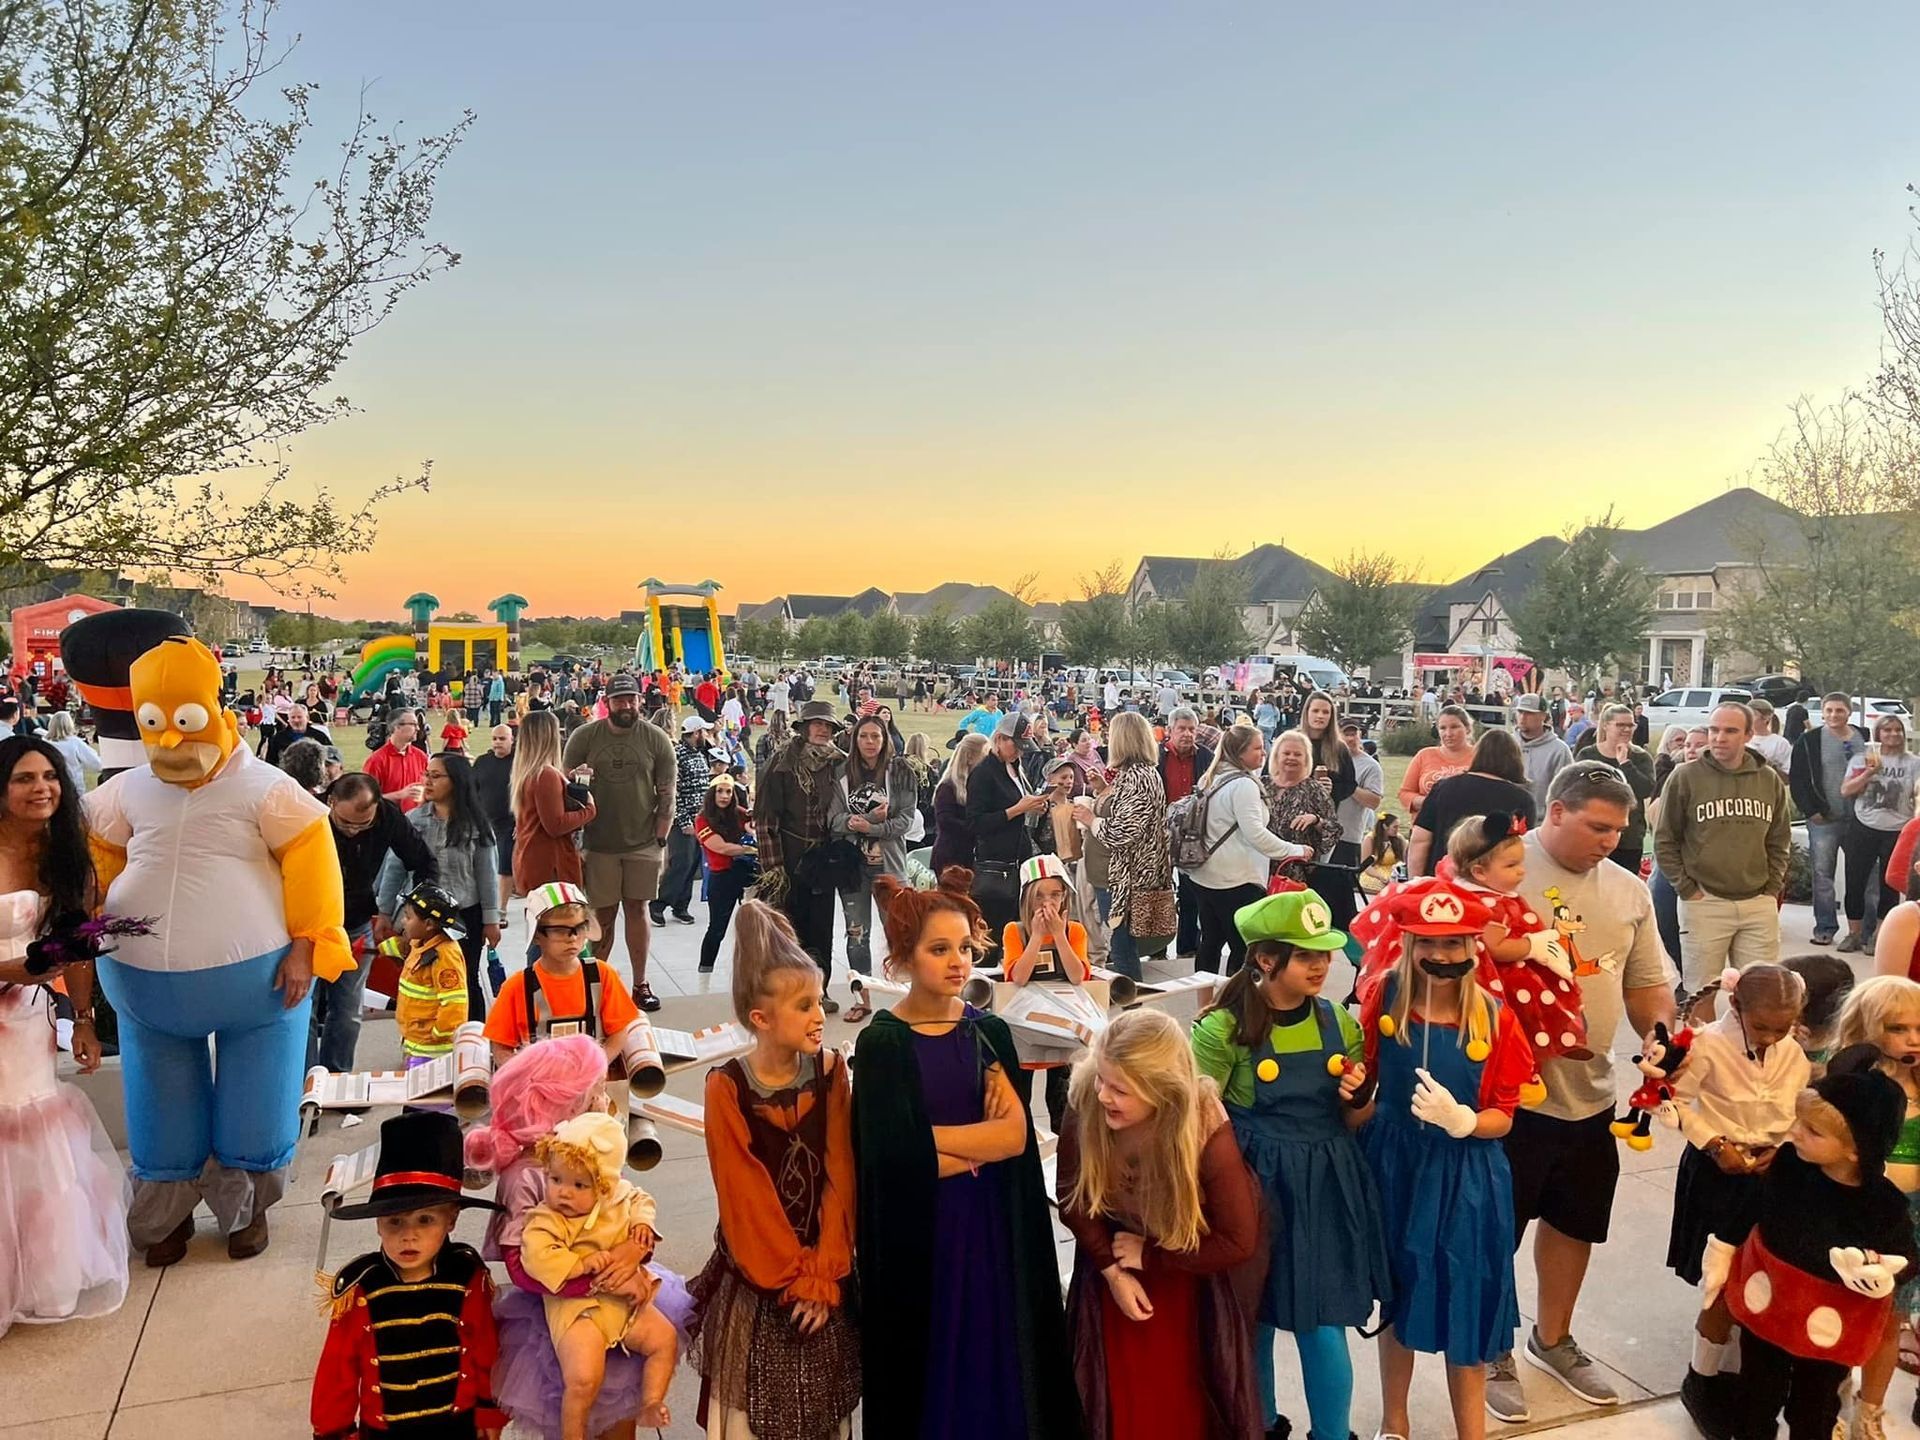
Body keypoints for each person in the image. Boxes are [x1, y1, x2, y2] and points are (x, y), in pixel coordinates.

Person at [85, 634, 350, 1266]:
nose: (171, 743)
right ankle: (166, 1213)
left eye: (185, 721)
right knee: (158, 1097)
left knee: (257, 1096)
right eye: (155, 725)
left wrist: (309, 945)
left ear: (216, 705)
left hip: (255, 979)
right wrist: (93, 917)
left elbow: (314, 864)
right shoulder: (130, 789)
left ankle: (247, 1210)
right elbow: (99, 849)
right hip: (144, 982)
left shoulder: (266, 786)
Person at [853, 870, 1082, 1440]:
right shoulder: (884, 1042)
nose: (957, 962)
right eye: (938, 949)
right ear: (902, 957)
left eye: (963, 948)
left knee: (994, 1341)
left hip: (989, 1223)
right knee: (933, 1351)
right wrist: (966, 1141)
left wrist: (923, 1139)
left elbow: (1013, 1140)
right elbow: (890, 1161)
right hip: (925, 1232)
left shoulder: (987, 1033)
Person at [1482, 761, 1677, 1425]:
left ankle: (1553, 1340)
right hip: (1506, 1101)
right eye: (1598, 826)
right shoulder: (1499, 871)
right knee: (1492, 1232)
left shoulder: (1628, 890)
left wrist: (1661, 1037)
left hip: (1591, 1095)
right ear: (1555, 811)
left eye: (1621, 829)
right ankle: (1489, 1349)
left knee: (1575, 1224)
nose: (1611, 840)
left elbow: (1648, 984)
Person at [1190, 890, 1389, 1440]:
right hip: (1252, 1191)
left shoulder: (1339, 1026)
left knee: (1324, 1325)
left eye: (1325, 953)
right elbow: (1196, 1123)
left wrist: (1358, 1098)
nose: (1322, 965)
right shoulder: (1221, 1031)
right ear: (1265, 959)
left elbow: (1357, 1120)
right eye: (1306, 955)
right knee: (1251, 1319)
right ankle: (1259, 1426)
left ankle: (1333, 1433)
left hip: (1326, 1190)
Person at [1359, 881, 1534, 1440]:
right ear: (1407, 944)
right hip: (1394, 1169)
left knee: (1467, 1295)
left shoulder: (1494, 1016)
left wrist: (1464, 1120)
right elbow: (1361, 1083)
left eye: (1456, 944)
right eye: (1429, 944)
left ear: (1474, 947)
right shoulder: (1383, 998)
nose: (1442, 956)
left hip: (1466, 1177)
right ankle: (1395, 1423)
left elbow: (1504, 1115)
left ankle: (1472, 1432)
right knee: (1398, 1296)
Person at [688, 900, 860, 1440]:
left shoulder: (830, 1071)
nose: (819, 1015)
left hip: (824, 1272)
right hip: (762, 1279)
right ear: (760, 1019)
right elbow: (746, 1199)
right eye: (804, 1005)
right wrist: (794, 1279)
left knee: (823, 1412)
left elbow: (841, 1174)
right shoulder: (727, 1087)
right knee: (753, 1415)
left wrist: (825, 1273)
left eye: (819, 1000)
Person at [464, 1035, 693, 1440]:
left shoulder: (588, 1149)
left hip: (619, 1296)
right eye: (597, 1093)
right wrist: (597, 1280)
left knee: (622, 1409)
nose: (606, 1101)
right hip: (559, 1313)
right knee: (581, 1398)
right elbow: (521, 1266)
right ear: (564, 1104)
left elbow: (622, 1205)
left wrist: (634, 1250)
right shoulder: (524, 1177)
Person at [1059, 1007, 1265, 1440]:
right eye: (1101, 1078)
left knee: (1184, 1395)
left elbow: (1239, 1240)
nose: (1103, 1095)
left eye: (1120, 1089)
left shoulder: (1205, 1126)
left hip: (1189, 1267)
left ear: (1163, 1092)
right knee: (1116, 1397)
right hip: (1112, 1260)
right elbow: (1072, 1197)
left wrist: (1153, 1256)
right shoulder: (1085, 1100)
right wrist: (1112, 1270)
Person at [1690, 1049, 1916, 1440]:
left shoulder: (1883, 1203)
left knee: (1814, 1408)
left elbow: (1907, 1258)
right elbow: (1750, 1208)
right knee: (1756, 1395)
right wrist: (1722, 1251)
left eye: (1812, 1131)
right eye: (1799, 1122)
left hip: (1830, 1327)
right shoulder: (1789, 1167)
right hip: (1770, 1309)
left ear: (1856, 1148)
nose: (1795, 1133)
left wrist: (1883, 1273)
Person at [0, 736, 127, 1339]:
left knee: (31, 1132)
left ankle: (39, 1279)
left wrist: (83, 1018)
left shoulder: (68, 855)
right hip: (12, 992)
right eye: (24, 778)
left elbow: (76, 946)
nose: (40, 788)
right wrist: (11, 972)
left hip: (26, 1023)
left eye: (49, 776)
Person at [312, 1111, 508, 1440]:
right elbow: (337, 1372)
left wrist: (489, 1408)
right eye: (395, 1221)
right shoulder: (360, 1289)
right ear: (377, 1223)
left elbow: (485, 1348)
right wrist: (335, 1431)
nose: (409, 1235)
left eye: (425, 1220)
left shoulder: (467, 1275)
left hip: (457, 1428)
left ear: (452, 1220)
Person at [1666, 966, 1809, 1414]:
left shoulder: (1793, 1053)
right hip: (1717, 1171)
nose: (1770, 1037)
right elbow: (1671, 1099)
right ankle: (1702, 1375)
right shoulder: (1705, 1045)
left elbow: (1799, 1107)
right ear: (1736, 1006)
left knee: (1764, 1275)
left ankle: (1741, 1370)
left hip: (1772, 1172)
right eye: (1761, 1026)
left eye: (1781, 1028)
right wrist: (1714, 1143)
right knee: (1721, 1281)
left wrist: (1784, 1147)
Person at [518, 1111, 677, 1436]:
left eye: (578, 1185)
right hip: (579, 1310)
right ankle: (573, 1434)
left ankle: (651, 1400)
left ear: (604, 1186)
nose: (563, 1193)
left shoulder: (616, 1197)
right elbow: (535, 1257)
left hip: (623, 1306)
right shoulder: (548, 1218)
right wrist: (581, 1264)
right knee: (584, 1377)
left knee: (665, 1339)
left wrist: (642, 1223)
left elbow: (640, 1198)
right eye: (555, 1180)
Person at [1831, 976, 1920, 1438]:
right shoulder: (1851, 1085)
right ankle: (1833, 1397)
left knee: (1891, 1320)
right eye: (1899, 1028)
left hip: (1909, 1224)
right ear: (1865, 1028)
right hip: (1856, 1219)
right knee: (1842, 1314)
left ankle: (1871, 1410)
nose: (1914, 1040)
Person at [1445, 813, 1587, 1100]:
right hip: (1499, 981)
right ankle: (1526, 1072)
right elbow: (1496, 947)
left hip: (1503, 976)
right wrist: (1531, 946)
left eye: (1521, 863)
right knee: (1524, 1021)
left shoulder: (1489, 893)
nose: (1521, 872)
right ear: (1479, 872)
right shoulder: (1486, 904)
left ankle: (1565, 1039)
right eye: (1511, 865)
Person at [1656, 701, 1792, 984]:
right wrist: (1687, 889)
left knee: (1762, 992)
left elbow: (1779, 839)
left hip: (1758, 901)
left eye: (1730, 731)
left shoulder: (1768, 780)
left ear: (1748, 735)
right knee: (1701, 993)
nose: (1719, 737)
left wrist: (1771, 889)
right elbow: (1665, 840)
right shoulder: (1685, 777)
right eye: (1715, 730)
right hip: (1705, 901)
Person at [311, 773, 439, 1072]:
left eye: (363, 824)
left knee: (347, 1010)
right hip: (311, 926)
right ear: (331, 802)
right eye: (345, 823)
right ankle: (303, 1084)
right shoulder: (309, 813)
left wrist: (419, 912)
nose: (354, 831)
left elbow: (423, 861)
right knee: (303, 1011)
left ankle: (336, 1077)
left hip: (355, 923)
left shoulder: (387, 817)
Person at [564, 675, 676, 1012]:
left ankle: (640, 984)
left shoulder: (656, 739)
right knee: (603, 916)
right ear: (607, 702)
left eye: (632, 699)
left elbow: (667, 791)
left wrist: (661, 836)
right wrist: (575, 777)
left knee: (637, 910)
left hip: (643, 840)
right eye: (619, 700)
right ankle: (594, 986)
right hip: (598, 842)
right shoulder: (585, 736)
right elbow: (562, 782)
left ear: (640, 701)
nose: (626, 706)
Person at [378, 751, 503, 1016]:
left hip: (465, 916)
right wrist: (384, 912)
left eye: (436, 776)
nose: (427, 781)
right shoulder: (413, 820)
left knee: (464, 980)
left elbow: (487, 875)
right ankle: (423, 1038)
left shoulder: (476, 825)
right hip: (421, 919)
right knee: (422, 980)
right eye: (426, 775)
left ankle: (472, 1043)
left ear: (456, 781)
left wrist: (491, 921)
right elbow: (394, 868)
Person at [1186, 725, 1314, 976]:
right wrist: (1295, 849)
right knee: (1244, 948)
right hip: (1236, 880)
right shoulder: (1244, 785)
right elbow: (1255, 834)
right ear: (1239, 752)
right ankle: (1237, 1005)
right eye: (1257, 748)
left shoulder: (1209, 778)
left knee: (1210, 943)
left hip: (1203, 875)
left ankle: (1205, 1003)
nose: (1263, 753)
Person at [482, 883, 642, 1064]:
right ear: (536, 935)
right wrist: (523, 1077)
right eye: (559, 930)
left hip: (594, 1083)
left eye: (579, 928)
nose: (572, 938)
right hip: (536, 1083)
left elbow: (620, 1031)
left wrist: (597, 1067)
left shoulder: (602, 975)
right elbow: (500, 1046)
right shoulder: (517, 986)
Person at [756, 700, 848, 1013]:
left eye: (829, 726)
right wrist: (774, 868)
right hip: (790, 855)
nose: (823, 730)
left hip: (824, 859)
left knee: (821, 928)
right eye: (817, 724)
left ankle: (818, 990)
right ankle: (790, 992)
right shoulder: (781, 762)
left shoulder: (840, 763)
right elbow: (766, 819)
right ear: (804, 727)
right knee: (789, 927)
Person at [998, 853, 1095, 1133]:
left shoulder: (1075, 931)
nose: (1048, 903)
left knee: (1062, 1106)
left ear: (1065, 896)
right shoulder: (1014, 931)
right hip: (1024, 1029)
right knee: (1020, 1103)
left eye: (1055, 894)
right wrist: (1038, 936)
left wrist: (1059, 935)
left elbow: (1078, 976)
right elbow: (1018, 976)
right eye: (1039, 896)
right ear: (1027, 898)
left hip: (1063, 1029)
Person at [1075, 711, 1173, 982]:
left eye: (1111, 735)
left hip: (1122, 877)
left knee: (1123, 945)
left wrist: (1090, 819)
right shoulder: (1129, 775)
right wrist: (1103, 788)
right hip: (1111, 874)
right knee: (1120, 941)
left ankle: (1130, 997)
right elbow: (1124, 811)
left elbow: (1124, 832)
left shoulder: (1139, 778)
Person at [828, 713, 917, 982]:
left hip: (889, 867)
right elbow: (833, 820)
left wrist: (872, 828)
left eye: (875, 736)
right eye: (863, 736)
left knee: (899, 931)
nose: (869, 741)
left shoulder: (900, 771)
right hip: (853, 869)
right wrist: (869, 820)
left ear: (885, 738)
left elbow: (905, 821)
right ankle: (862, 993)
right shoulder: (841, 772)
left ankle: (904, 989)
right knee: (857, 933)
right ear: (855, 739)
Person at [1789, 692, 1869, 947]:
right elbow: (1798, 779)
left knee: (1866, 874)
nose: (1834, 715)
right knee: (1823, 874)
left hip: (1860, 818)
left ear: (1849, 712)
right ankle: (1825, 927)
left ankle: (1865, 931)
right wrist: (1811, 810)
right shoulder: (1810, 740)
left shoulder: (1862, 738)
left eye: (1840, 710)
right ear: (1822, 713)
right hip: (1825, 817)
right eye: (1829, 710)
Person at [1406, 729, 1536, 878]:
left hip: (1442, 884)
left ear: (1478, 754)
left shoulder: (1444, 787)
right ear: (1515, 760)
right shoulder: (1523, 800)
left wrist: (1416, 881)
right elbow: (1522, 853)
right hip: (1491, 886)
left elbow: (1420, 840)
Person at [965, 711, 1046, 946]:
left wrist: (1032, 807)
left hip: (1017, 860)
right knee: (993, 937)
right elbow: (975, 823)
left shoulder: (1015, 768)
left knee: (1016, 935)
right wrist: (1016, 810)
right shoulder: (983, 773)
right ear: (999, 739)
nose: (1020, 752)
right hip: (995, 865)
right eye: (1016, 745)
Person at [1840, 715, 1919, 953]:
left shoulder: (1914, 762)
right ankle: (1853, 933)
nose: (1893, 734)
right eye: (1887, 730)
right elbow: (1845, 791)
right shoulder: (1861, 759)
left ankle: (1878, 935)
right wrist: (1868, 773)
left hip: (1897, 829)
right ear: (1878, 734)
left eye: (1897, 730)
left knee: (1890, 884)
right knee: (1855, 881)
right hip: (1863, 826)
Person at [1158, 708, 1215, 958]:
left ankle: (1188, 948)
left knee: (1192, 892)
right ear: (1170, 730)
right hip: (1160, 832)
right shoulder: (1156, 756)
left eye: (1192, 729)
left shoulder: (1207, 758)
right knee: (1158, 891)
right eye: (1182, 728)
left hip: (1194, 835)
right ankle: (1157, 947)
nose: (1187, 734)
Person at [1571, 703, 1655, 873]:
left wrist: (1625, 763)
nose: (1626, 729)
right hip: (1592, 835)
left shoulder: (1641, 757)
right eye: (1620, 725)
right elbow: (1577, 791)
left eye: (1630, 725)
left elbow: (1645, 790)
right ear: (1606, 726)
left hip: (1628, 838)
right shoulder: (1588, 755)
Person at [654, 714, 713, 928]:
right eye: (703, 731)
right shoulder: (677, 755)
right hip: (683, 822)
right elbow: (673, 792)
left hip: (700, 820)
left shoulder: (699, 754)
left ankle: (681, 906)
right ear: (696, 733)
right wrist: (684, 820)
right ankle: (659, 903)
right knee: (681, 863)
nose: (706, 735)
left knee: (693, 864)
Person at [694, 775, 756, 974]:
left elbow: (755, 823)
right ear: (712, 793)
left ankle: (755, 968)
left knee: (756, 925)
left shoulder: (738, 813)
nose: (724, 796)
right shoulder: (702, 819)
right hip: (722, 876)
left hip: (748, 873)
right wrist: (749, 850)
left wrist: (752, 827)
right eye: (720, 791)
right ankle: (705, 968)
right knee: (717, 927)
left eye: (728, 791)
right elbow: (719, 847)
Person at [472, 723, 517, 968]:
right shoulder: (481, 762)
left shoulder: (518, 761)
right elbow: (472, 790)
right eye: (494, 738)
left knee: (504, 866)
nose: (498, 742)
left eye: (502, 738)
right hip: (484, 822)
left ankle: (501, 910)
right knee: (487, 867)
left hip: (509, 822)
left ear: (512, 740)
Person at [1397, 704, 1476, 819]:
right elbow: (1405, 794)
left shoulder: (1481, 756)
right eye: (1443, 728)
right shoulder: (1424, 755)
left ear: (1468, 728)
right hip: (1425, 828)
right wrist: (1429, 803)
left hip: (1465, 829)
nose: (1448, 734)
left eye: (1454, 727)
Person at [930, 732, 988, 875]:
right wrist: (978, 827)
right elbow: (946, 821)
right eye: (985, 756)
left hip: (971, 856)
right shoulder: (948, 787)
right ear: (969, 757)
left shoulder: (981, 785)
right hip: (951, 857)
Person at [364, 707, 429, 811]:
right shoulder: (376, 760)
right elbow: (366, 800)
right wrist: (399, 795)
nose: (418, 728)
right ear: (397, 727)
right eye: (413, 724)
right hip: (389, 821)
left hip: (417, 822)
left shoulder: (421, 757)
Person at [41, 710, 101, 793]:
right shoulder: (75, 743)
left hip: (50, 787)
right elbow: (97, 764)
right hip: (73, 788)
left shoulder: (43, 743)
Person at [1747, 697, 1793, 777]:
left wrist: (1768, 764)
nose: (1748, 719)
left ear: (1766, 718)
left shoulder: (1780, 743)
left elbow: (1788, 775)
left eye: (1753, 715)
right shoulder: (1740, 739)